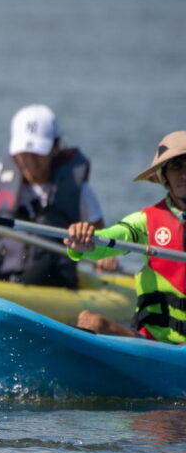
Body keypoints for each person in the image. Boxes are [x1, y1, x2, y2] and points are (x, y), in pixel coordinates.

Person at [0, 104, 118, 288]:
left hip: (53, 280)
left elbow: (101, 239)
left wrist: (107, 256)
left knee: (48, 265)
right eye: (23, 152)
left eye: (37, 153)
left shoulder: (79, 191)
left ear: (55, 147)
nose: (29, 160)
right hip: (3, 277)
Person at [64, 131, 186, 343]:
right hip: (152, 343)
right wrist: (84, 240)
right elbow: (111, 238)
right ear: (164, 174)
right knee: (89, 321)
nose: (184, 173)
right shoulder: (145, 221)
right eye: (176, 165)